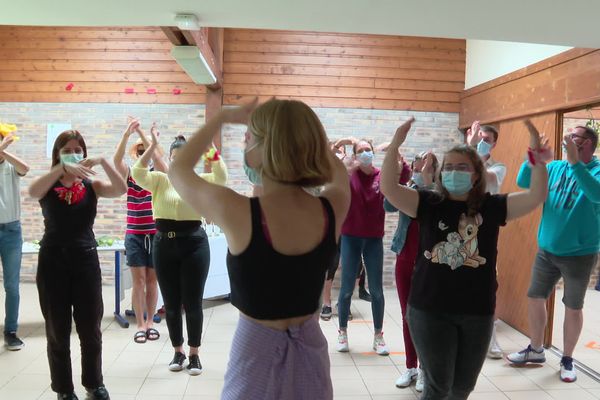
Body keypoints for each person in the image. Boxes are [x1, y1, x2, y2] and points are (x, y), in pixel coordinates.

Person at [169, 98, 350, 400]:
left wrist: (221, 118)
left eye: (248, 138)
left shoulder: (237, 211)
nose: (244, 144)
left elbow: (178, 169)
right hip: (311, 350)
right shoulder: (333, 206)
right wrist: (307, 138)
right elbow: (339, 173)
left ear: (266, 149)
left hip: (255, 353)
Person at [381, 118, 548, 400]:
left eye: (462, 167)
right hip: (429, 310)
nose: (453, 172)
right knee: (438, 387)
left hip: (477, 312)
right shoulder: (428, 203)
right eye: (448, 167)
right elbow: (389, 188)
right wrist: (395, 143)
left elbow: (535, 196)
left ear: (476, 175)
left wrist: (537, 157)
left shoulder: (491, 207)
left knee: (462, 389)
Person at [28, 130, 127, 400]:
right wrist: (61, 167)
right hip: (52, 261)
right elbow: (32, 190)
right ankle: (64, 389)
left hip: (85, 259)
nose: (74, 153)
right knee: (57, 329)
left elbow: (121, 189)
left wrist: (103, 161)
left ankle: (94, 383)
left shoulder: (90, 185)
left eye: (78, 149)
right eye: (67, 149)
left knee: (90, 329)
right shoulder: (48, 183)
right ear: (58, 153)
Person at [507, 125, 600, 383]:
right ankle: (536, 349)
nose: (567, 138)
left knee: (573, 306)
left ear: (589, 144)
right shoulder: (556, 167)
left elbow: (597, 194)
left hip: (580, 254)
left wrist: (576, 165)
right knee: (535, 297)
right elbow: (525, 181)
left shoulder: (596, 170)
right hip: (546, 250)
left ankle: (567, 358)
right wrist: (533, 156)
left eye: (574, 136)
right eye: (567, 134)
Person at [131, 131, 227, 374]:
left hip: (194, 244)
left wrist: (209, 148)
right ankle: (178, 351)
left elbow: (221, 175)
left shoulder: (200, 180)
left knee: (193, 303)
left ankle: (194, 354)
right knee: (171, 304)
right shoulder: (160, 179)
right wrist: (152, 146)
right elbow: (137, 173)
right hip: (164, 244)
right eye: (175, 158)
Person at [385, 151, 437, 392]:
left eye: (425, 165)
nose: (420, 168)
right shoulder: (407, 188)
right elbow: (387, 204)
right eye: (417, 165)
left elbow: (434, 204)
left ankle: (427, 369)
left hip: (428, 262)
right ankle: (411, 366)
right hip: (404, 257)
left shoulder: (439, 194)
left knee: (425, 317)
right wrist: (405, 178)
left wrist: (424, 182)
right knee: (407, 315)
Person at [113, 119, 168, 343]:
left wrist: (148, 137)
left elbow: (159, 159)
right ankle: (141, 325)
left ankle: (150, 319)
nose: (143, 153)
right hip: (135, 233)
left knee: (153, 281)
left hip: (155, 233)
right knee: (139, 281)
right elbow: (116, 160)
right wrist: (127, 135)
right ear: (135, 154)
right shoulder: (130, 174)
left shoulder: (158, 174)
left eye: (146, 150)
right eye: (139, 151)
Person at [334, 137, 388, 355]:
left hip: (374, 239)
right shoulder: (349, 174)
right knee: (346, 289)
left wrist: (395, 152)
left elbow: (400, 181)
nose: (366, 153)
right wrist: (342, 143)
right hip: (350, 237)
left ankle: (378, 335)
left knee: (376, 290)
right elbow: (329, 165)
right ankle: (342, 332)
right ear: (355, 155)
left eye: (369, 150)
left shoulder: (380, 175)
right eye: (361, 150)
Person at [467, 121, 507, 358]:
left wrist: (475, 153)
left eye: (487, 140)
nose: (482, 142)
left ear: (493, 144)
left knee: (488, 283)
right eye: (478, 137)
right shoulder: (458, 162)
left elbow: (487, 179)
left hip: (486, 232)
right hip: (460, 227)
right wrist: (469, 150)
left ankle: (491, 339)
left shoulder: (498, 167)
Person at [0, 133, 29, 351]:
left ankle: (10, 331)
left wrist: (5, 151)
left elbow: (25, 168)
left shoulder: (11, 166)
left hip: (12, 231)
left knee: (12, 286)